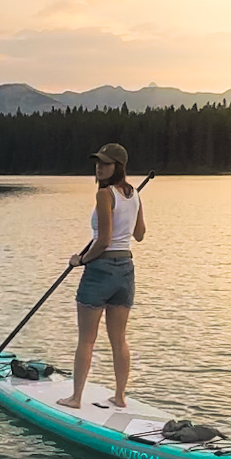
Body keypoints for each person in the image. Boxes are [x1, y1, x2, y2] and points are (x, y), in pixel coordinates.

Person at [57, 143, 145, 411]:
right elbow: (139, 235)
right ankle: (120, 397)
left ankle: (75, 399)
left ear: (118, 166)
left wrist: (80, 260)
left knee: (87, 339)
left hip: (101, 270)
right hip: (126, 270)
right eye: (97, 163)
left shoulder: (105, 195)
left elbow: (103, 241)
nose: (99, 167)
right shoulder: (135, 195)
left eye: (105, 163)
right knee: (119, 339)